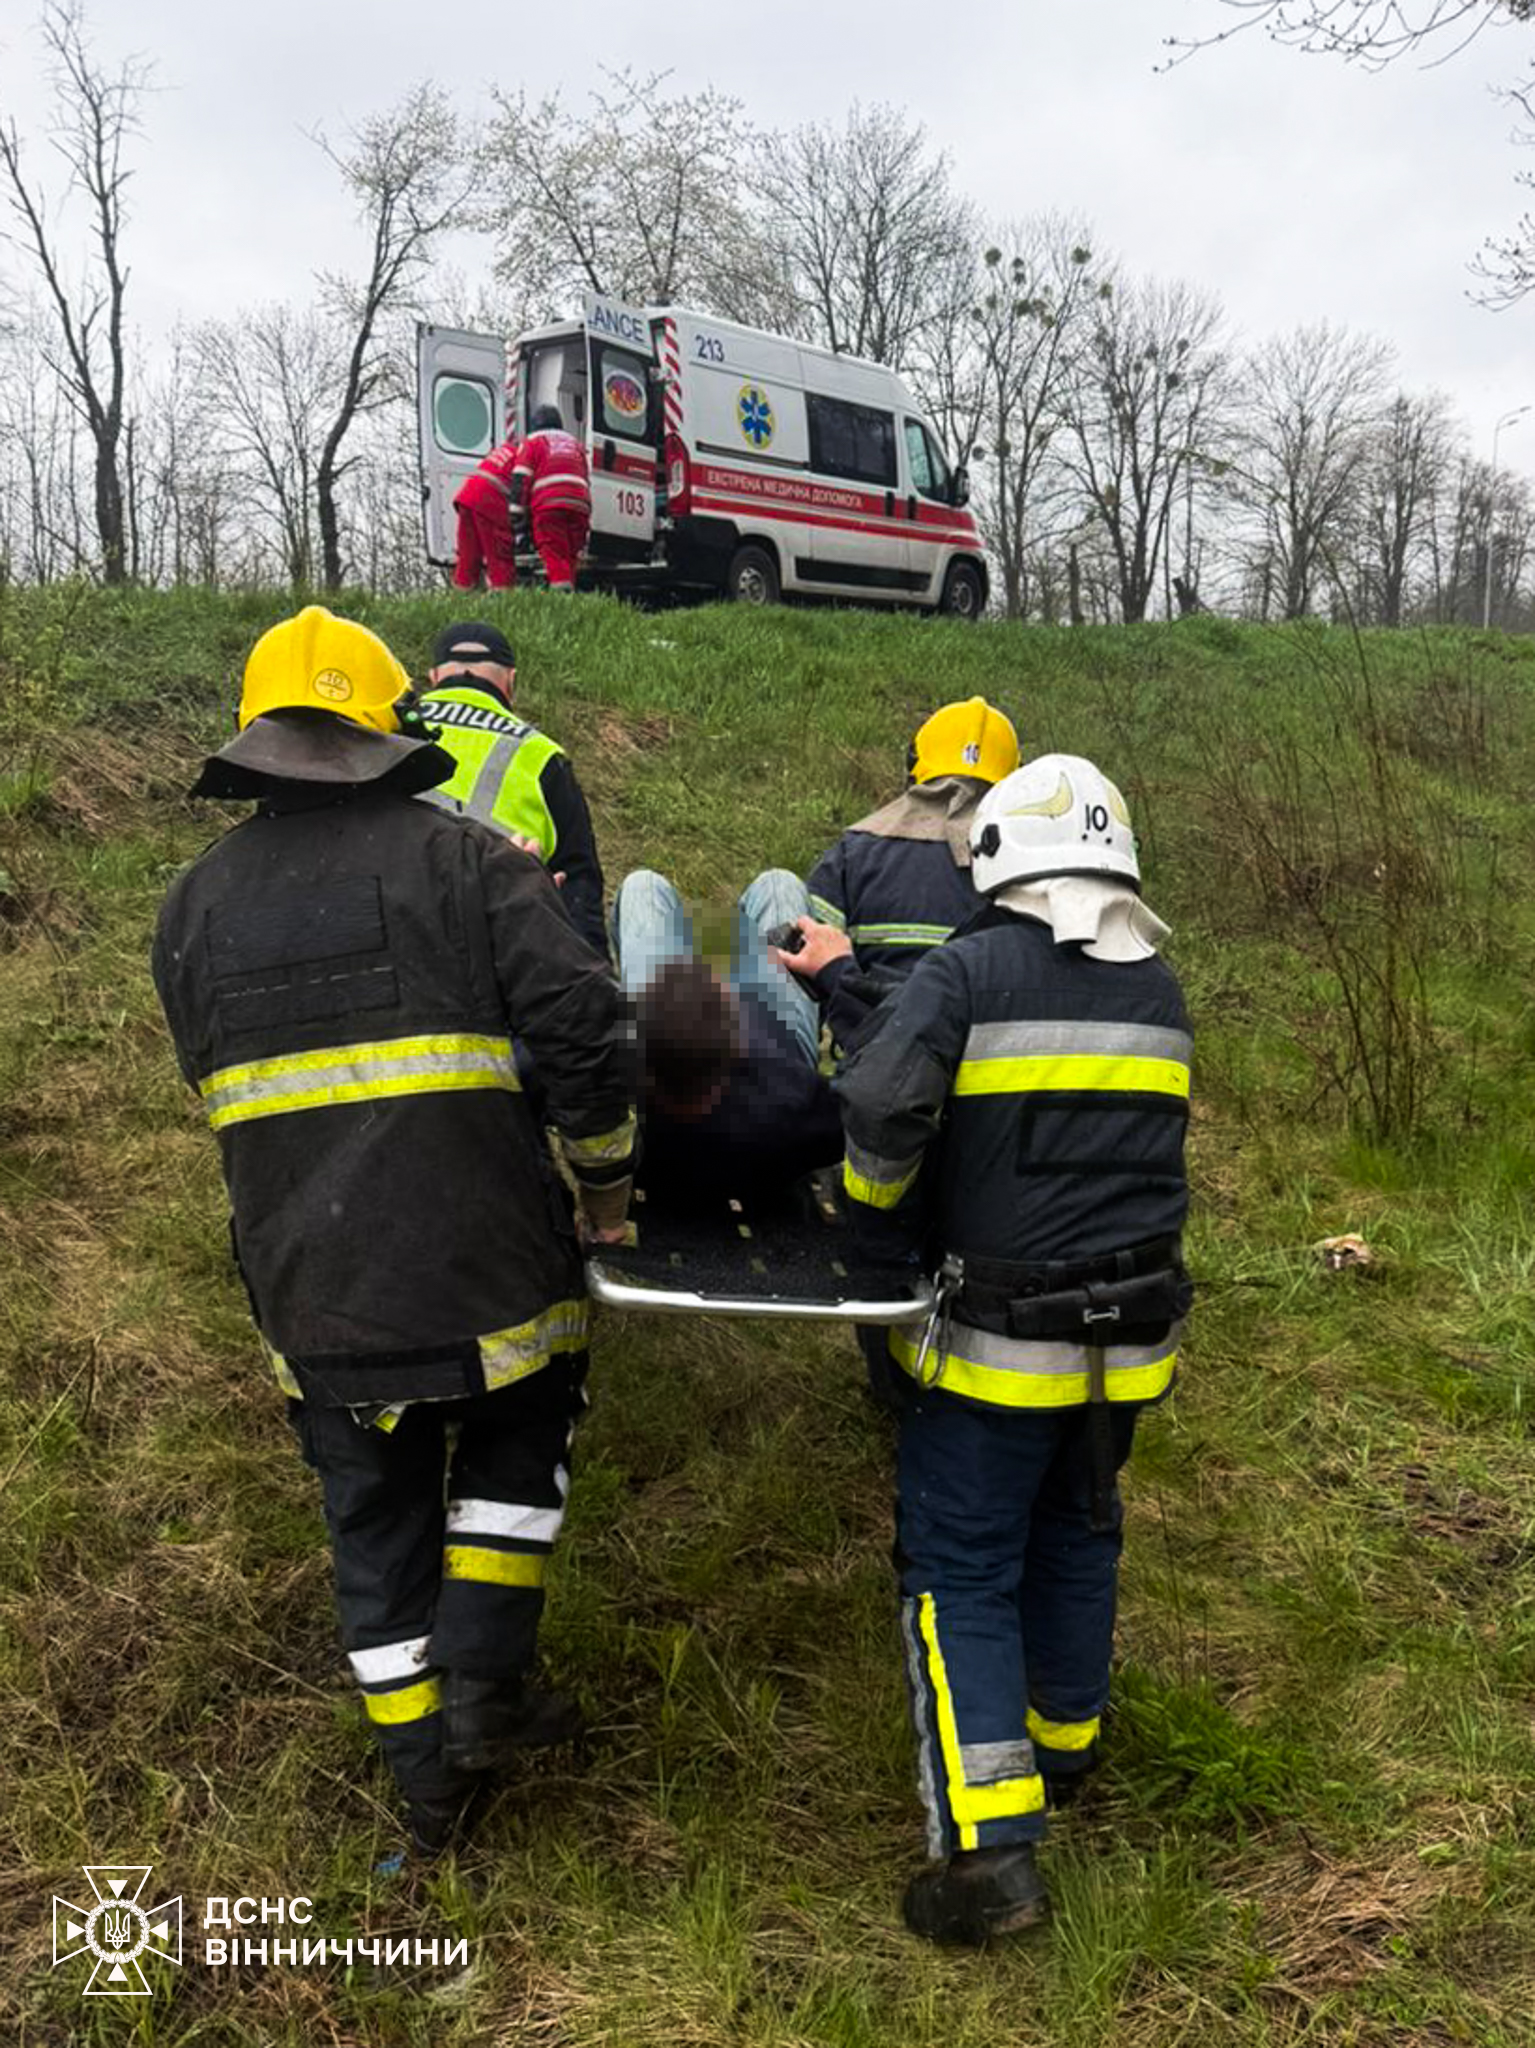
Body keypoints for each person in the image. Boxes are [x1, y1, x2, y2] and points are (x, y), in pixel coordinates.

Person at [151, 606, 635, 1857]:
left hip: (309, 1291)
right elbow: (585, 1030)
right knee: (521, 1431)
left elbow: (218, 1087)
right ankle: (484, 1679)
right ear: (386, 725)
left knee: (371, 1523)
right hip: (486, 1271)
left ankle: (428, 1799)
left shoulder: (189, 908)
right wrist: (605, 1193)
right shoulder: (466, 860)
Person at [834, 753, 1193, 1946]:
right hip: (1126, 1349)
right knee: (1078, 1521)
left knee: (958, 1564)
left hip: (995, 1346)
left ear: (996, 861)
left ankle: (989, 1848)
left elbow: (882, 1108)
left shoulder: (965, 970)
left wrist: (871, 1226)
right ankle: (1065, 1746)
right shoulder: (1160, 991)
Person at [611, 867, 843, 1208]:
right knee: (778, 885)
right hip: (773, 1115)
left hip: (664, 1149)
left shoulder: (641, 1067)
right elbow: (847, 1120)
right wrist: (838, 973)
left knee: (642, 885)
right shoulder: (802, 1101)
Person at [796, 698, 1020, 1024]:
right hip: (991, 1051)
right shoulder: (1029, 858)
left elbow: (806, 949)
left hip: (875, 1047)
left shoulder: (858, 847)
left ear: (914, 762)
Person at [418, 620, 608, 958]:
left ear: (433, 678)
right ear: (511, 682)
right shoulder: (541, 753)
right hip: (510, 948)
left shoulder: (386, 729)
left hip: (403, 930)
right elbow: (580, 884)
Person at [511, 405, 592, 592]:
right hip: (580, 505)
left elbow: (521, 477)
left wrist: (516, 515)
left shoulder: (532, 441)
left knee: (554, 552)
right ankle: (569, 591)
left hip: (550, 506)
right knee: (570, 555)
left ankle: (562, 599)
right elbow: (585, 477)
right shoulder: (575, 444)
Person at [452, 432, 522, 590]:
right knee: (500, 559)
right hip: (489, 503)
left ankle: (460, 600)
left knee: (468, 557)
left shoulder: (504, 450)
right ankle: (503, 601)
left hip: (466, 499)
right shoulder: (525, 457)